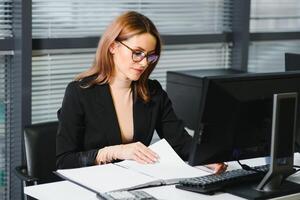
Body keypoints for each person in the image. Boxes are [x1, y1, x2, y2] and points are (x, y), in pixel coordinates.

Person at [56, 11, 227, 173]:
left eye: (150, 56)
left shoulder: (153, 92)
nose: (145, 63)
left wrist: (208, 158)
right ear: (113, 47)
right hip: (92, 184)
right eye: (137, 53)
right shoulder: (79, 92)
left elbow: (180, 143)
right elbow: (64, 161)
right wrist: (114, 152)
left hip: (137, 182)